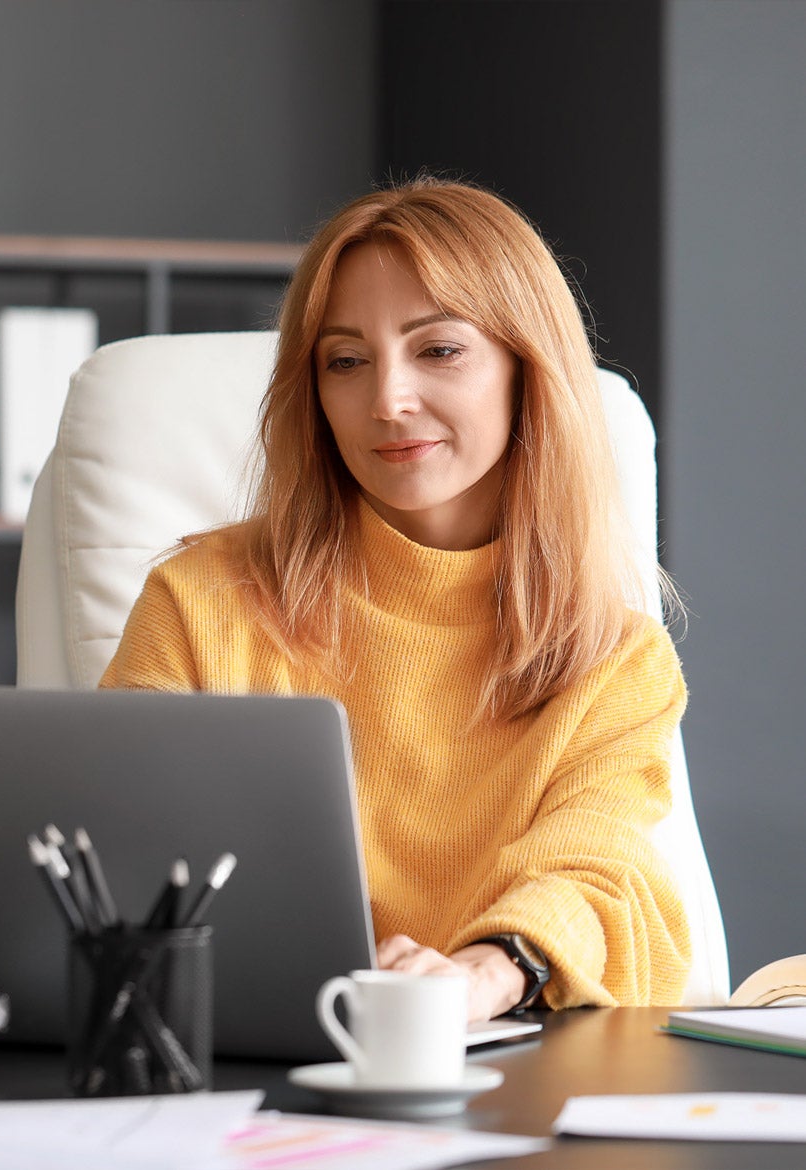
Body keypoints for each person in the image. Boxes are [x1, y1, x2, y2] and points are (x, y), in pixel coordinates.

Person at [99, 177, 690, 1021]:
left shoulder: (615, 659)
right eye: (346, 361)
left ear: (529, 368)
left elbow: (594, 870)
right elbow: (113, 843)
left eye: (439, 350)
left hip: (503, 1067)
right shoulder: (201, 602)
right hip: (244, 1059)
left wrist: (480, 976)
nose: (387, 401)